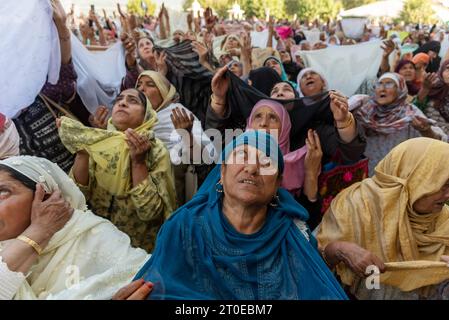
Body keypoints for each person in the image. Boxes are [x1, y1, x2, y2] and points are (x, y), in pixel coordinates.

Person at [124, 130, 347, 300]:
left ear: (278, 183)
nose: (251, 168)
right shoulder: (185, 227)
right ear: (222, 172)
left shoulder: (293, 235)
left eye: (266, 162)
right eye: (242, 156)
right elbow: (159, 289)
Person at [317, 138, 449, 300]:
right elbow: (307, 267)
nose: (448, 194)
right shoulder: (355, 206)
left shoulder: (444, 220)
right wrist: (339, 249)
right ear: (413, 178)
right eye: (443, 184)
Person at [0, 156, 148, 300]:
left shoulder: (92, 235)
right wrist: (38, 233)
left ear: (47, 198)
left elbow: (144, 276)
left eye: (2, 192)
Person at [57, 88, 176, 252]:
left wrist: (138, 163)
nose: (123, 103)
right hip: (96, 240)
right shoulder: (101, 142)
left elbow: (149, 213)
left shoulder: (155, 151)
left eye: (133, 101)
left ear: (146, 115)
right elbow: (76, 197)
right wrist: (82, 151)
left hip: (135, 247)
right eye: (119, 100)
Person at [12, 0, 77, 172]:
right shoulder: (5, 110)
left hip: (75, 181)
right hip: (35, 194)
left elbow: (64, 65)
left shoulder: (47, 90)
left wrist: (62, 25)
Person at [349, 72, 447, 175]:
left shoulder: (409, 112)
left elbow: (439, 143)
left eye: (389, 84)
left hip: (396, 177)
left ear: (400, 89)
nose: (382, 89)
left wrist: (425, 130)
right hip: (366, 174)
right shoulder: (364, 110)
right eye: (379, 84)